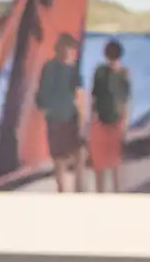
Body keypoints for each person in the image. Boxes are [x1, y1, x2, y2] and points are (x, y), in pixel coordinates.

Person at [36, 32, 87, 192]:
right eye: (71, 50)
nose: (71, 54)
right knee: (77, 155)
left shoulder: (48, 67)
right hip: (69, 118)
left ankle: (63, 191)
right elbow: (80, 99)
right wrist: (83, 122)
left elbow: (41, 98)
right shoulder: (72, 71)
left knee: (60, 159)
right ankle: (78, 190)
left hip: (55, 119)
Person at [89, 39, 131, 192]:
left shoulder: (100, 72)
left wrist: (90, 124)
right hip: (114, 124)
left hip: (102, 123)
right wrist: (125, 125)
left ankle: (103, 199)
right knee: (114, 167)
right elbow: (126, 102)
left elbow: (93, 100)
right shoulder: (124, 74)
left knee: (102, 168)